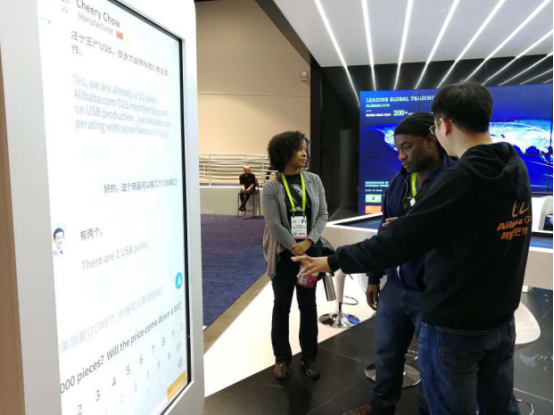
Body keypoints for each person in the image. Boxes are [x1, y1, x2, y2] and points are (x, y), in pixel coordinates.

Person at [293, 82, 531, 415]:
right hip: (499, 317)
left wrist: (332, 260)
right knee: (499, 407)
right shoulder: (514, 168)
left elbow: (399, 241)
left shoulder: (460, 179)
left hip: (454, 321)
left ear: (442, 126)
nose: (402, 155)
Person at [352, 113, 455, 415]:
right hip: (395, 287)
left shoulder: (454, 182)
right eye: (398, 148)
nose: (401, 156)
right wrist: (374, 277)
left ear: (431, 141)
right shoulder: (399, 181)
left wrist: (413, 227)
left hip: (433, 292)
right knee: (386, 356)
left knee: (433, 365)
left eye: (407, 147)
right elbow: (384, 233)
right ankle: (379, 408)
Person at [262, 130, 328, 381]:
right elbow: (274, 224)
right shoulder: (271, 186)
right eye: (299, 149)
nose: (304, 154)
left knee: (308, 305)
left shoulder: (314, 180)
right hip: (283, 255)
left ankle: (309, 357)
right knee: (282, 306)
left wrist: (309, 241)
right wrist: (293, 246)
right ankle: (281, 358)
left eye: (305, 149)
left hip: (311, 255)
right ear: (284, 152)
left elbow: (322, 214)